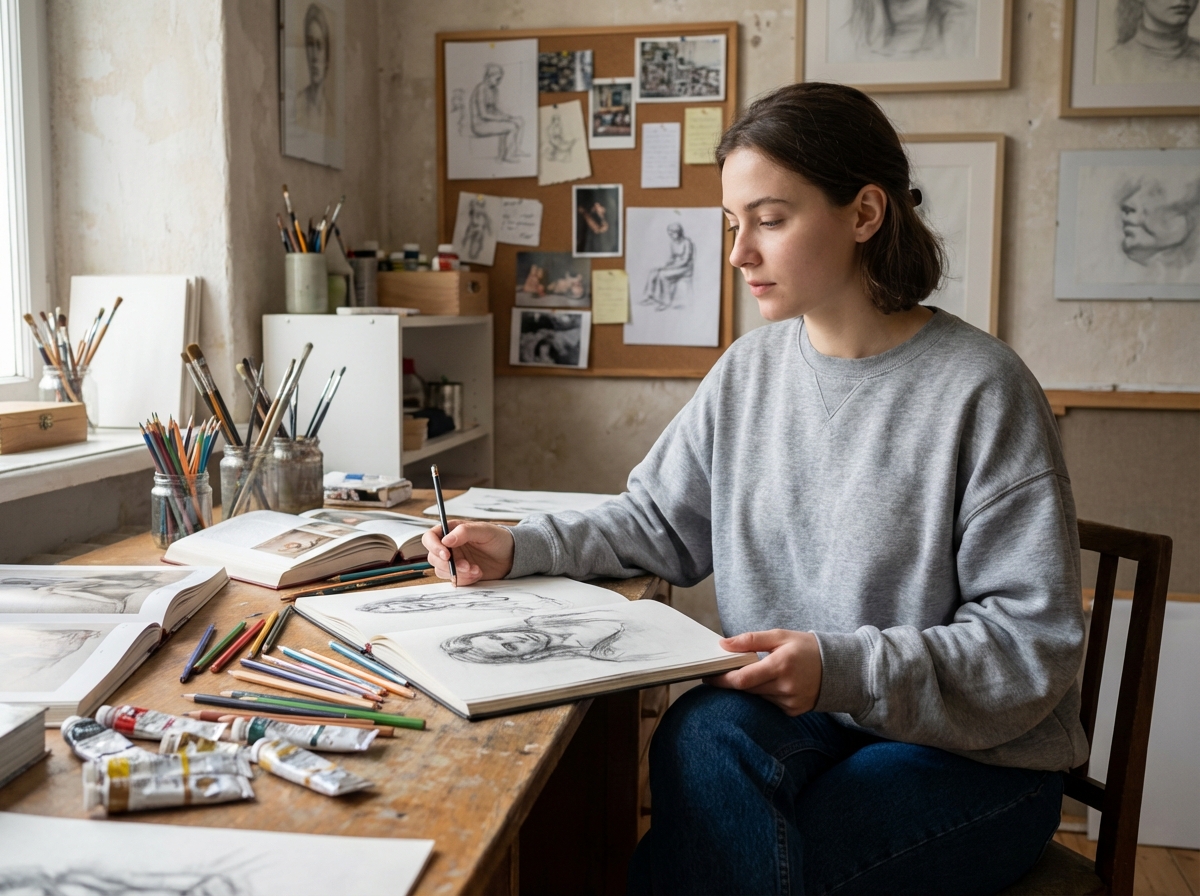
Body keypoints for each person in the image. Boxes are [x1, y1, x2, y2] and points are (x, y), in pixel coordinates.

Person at [424, 82, 1085, 895]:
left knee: (764, 854)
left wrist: (838, 668)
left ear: (865, 214)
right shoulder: (749, 371)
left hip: (974, 760)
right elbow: (658, 523)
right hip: (812, 722)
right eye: (735, 224)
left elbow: (1031, 648)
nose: (738, 254)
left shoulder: (981, 388)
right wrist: (520, 545)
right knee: (697, 733)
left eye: (768, 220)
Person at [469, 63, 526, 163]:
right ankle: (508, 155)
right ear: (489, 76)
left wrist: (507, 116)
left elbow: (495, 110)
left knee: (519, 120)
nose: (499, 82)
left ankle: (516, 149)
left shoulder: (494, 90)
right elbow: (483, 114)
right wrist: (503, 119)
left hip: (489, 122)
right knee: (511, 127)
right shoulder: (481, 89)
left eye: (500, 79)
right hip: (480, 125)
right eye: (497, 79)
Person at [642, 223, 695, 310]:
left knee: (663, 275)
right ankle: (650, 297)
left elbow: (685, 261)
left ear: (679, 232)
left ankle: (666, 302)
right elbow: (672, 258)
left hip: (685, 269)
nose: (671, 235)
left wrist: (671, 267)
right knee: (654, 272)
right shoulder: (673, 243)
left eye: (673, 233)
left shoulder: (687, 242)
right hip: (675, 266)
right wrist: (665, 265)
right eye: (670, 233)